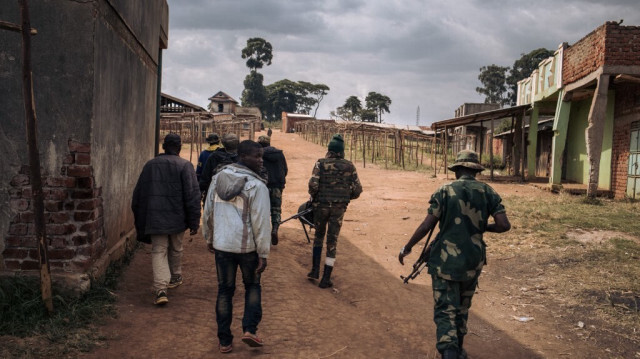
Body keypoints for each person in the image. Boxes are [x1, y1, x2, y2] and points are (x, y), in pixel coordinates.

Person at [398, 150, 511, 359]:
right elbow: (504, 225)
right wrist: (481, 227)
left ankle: (449, 352)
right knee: (461, 309)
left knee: (445, 311)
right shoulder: (488, 192)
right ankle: (458, 351)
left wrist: (408, 247)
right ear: (475, 170)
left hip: (445, 262)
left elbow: (427, 225)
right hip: (472, 261)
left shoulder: (444, 190)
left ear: (458, 169)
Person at [203, 140, 271, 354]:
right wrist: (263, 253)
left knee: (225, 290)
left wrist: (210, 237)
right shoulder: (257, 186)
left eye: (261, 156)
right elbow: (260, 222)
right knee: (252, 286)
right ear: (242, 156)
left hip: (223, 246)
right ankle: (249, 330)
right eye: (256, 156)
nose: (261, 161)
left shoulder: (217, 179)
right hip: (248, 248)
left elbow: (208, 212)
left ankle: (224, 341)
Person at [131, 133, 201, 305]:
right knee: (176, 247)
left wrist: (142, 217)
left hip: (155, 218)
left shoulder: (150, 165)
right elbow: (192, 196)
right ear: (179, 147)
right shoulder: (185, 166)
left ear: (163, 146)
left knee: (159, 250)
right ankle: (175, 276)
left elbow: (138, 195)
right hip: (178, 217)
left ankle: (161, 289)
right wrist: (194, 221)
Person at [307, 134, 362, 288]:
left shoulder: (320, 164)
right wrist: (345, 198)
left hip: (321, 207)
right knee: (332, 242)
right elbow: (358, 189)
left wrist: (316, 197)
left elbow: (313, 186)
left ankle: (314, 271)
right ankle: (326, 278)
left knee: (318, 237)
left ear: (329, 150)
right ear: (341, 151)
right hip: (338, 209)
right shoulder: (350, 166)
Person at [257, 135, 288, 245]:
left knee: (262, 210)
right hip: (277, 186)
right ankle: (274, 228)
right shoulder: (279, 154)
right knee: (276, 209)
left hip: (263, 186)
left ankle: (263, 234)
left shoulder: (258, 154)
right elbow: (285, 169)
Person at [199, 133, 239, 202]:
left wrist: (201, 190)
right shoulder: (243, 157)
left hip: (216, 194)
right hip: (238, 195)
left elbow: (205, 177)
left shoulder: (213, 156)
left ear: (223, 143)